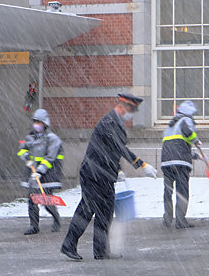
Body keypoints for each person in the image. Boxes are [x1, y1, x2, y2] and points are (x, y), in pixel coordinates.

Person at [61, 94, 157, 261]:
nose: (131, 115)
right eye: (131, 110)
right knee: (87, 210)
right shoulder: (110, 122)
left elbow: (110, 151)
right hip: (94, 174)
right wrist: (142, 165)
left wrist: (118, 170)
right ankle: (69, 245)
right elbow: (120, 148)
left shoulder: (115, 122)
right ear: (123, 107)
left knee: (105, 212)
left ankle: (101, 250)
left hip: (103, 175)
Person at [18, 109, 64, 235]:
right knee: (32, 199)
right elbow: (21, 149)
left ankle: (56, 220)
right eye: (35, 122)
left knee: (46, 199)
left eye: (39, 122)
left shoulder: (52, 139)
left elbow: (50, 158)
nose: (37, 125)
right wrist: (26, 157)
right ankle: (34, 226)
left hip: (47, 175)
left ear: (45, 123)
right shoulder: (30, 138)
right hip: (32, 174)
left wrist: (40, 171)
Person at [160, 100, 201, 229]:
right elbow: (188, 133)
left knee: (168, 191)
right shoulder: (185, 120)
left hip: (167, 162)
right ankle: (180, 220)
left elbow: (177, 145)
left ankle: (167, 218)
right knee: (182, 191)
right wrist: (197, 142)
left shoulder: (171, 125)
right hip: (181, 164)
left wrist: (195, 155)